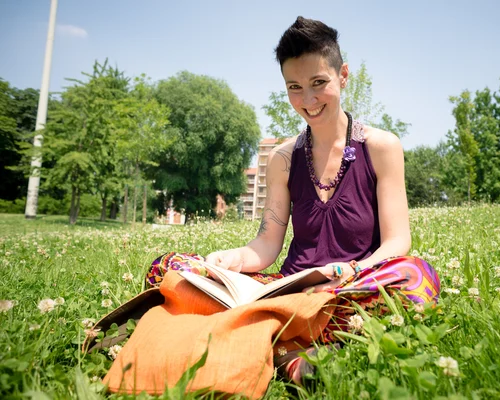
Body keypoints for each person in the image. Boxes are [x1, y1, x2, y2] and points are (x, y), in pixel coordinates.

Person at [147, 16, 440, 385]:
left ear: (343, 75)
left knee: (416, 276)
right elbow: (267, 244)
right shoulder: (283, 159)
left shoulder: (382, 147)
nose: (308, 100)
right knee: (169, 267)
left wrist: (351, 273)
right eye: (295, 88)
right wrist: (231, 260)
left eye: (319, 83)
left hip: (347, 290)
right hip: (286, 290)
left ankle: (269, 343)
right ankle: (294, 351)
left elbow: (398, 242)